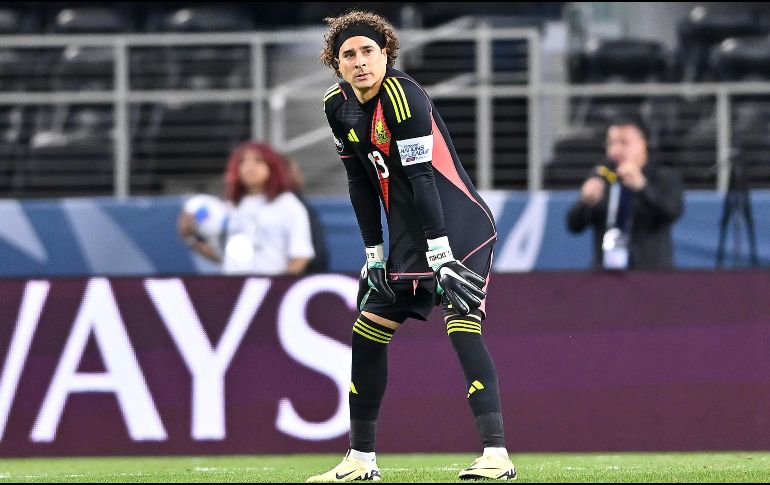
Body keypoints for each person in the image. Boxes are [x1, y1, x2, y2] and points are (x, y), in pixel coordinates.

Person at [307, 10, 515, 482]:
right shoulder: (335, 106)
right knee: (367, 332)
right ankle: (361, 461)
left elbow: (422, 176)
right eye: (348, 55)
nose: (360, 62)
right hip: (407, 236)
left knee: (463, 326)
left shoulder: (402, 95)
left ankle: (496, 457)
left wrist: (441, 256)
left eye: (368, 51)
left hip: (457, 225)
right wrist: (373, 254)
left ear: (386, 54)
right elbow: (359, 181)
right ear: (336, 64)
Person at [178, 141, 315, 275]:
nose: (249, 167)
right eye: (243, 161)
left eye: (258, 161)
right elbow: (223, 257)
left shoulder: (287, 205)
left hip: (271, 287)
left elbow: (301, 255)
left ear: (272, 166)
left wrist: (278, 288)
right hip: (235, 289)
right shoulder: (231, 207)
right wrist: (190, 237)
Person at [566, 116, 684, 270]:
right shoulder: (602, 176)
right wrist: (585, 202)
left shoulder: (663, 177)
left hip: (652, 274)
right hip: (605, 276)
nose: (616, 150)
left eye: (624, 142)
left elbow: (671, 212)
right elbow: (574, 226)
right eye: (611, 143)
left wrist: (642, 187)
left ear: (643, 142)